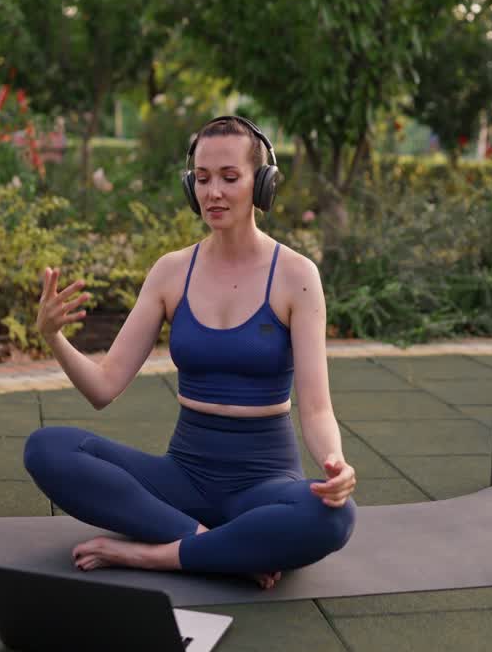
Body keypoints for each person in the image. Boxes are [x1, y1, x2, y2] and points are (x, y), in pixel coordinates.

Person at [25, 116, 358, 590]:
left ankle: (156, 555)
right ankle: (216, 547)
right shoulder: (170, 272)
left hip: (263, 486)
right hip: (181, 481)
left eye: (229, 177)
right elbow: (103, 387)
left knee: (334, 517)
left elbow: (318, 406)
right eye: (202, 179)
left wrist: (335, 463)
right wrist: (54, 338)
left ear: (262, 184)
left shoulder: (297, 276)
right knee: (47, 449)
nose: (213, 193)